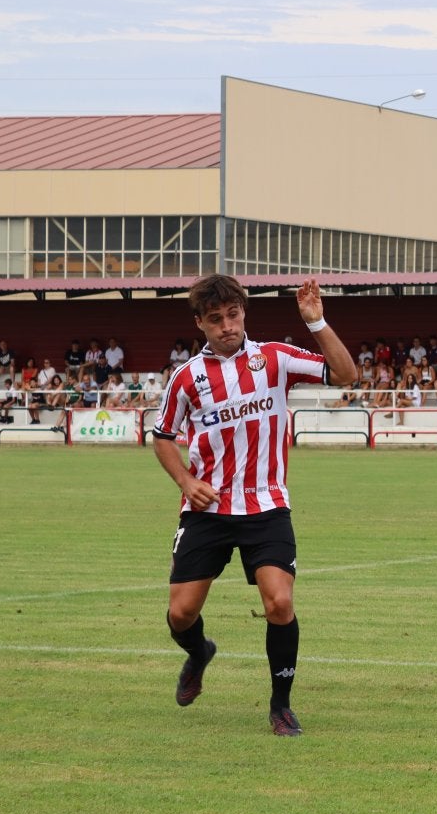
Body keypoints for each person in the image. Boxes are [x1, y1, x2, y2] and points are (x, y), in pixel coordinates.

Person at [152, 274, 355, 737]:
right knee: (181, 614)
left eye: (234, 314)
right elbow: (163, 438)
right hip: (208, 510)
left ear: (244, 312)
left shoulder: (275, 359)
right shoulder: (187, 378)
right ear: (200, 323)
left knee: (279, 602)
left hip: (266, 506)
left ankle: (280, 705)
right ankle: (199, 652)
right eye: (216, 319)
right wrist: (186, 480)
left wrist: (316, 321)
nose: (227, 325)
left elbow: (346, 375)